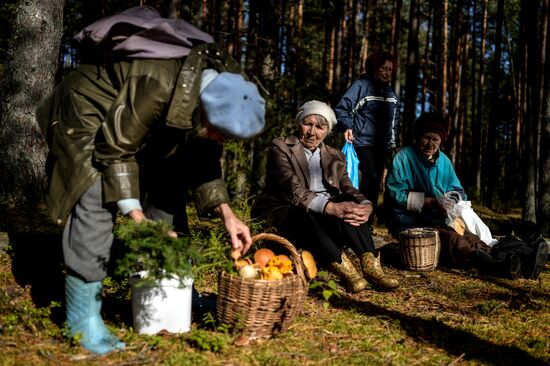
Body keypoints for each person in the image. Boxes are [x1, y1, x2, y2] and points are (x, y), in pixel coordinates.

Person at [36, 7, 265, 355]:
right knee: (95, 195)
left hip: (134, 126)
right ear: (205, 112)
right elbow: (115, 151)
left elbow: (202, 156)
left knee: (168, 192)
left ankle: (174, 295)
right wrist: (138, 219)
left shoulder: (220, 87)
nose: (224, 142)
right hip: (88, 116)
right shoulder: (157, 83)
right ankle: (83, 321)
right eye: (222, 135)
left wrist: (226, 213)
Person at [252, 101, 399, 294]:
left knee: (350, 201)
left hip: (323, 219)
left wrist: (366, 205)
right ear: (298, 124)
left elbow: (348, 186)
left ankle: (371, 266)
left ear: (328, 131)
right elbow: (292, 187)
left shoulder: (335, 156)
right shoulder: (281, 147)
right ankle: (345, 270)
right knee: (301, 212)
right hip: (288, 213)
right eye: (308, 124)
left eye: (320, 127)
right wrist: (329, 207)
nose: (312, 132)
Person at [384, 112, 548, 279]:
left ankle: (524, 259)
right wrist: (432, 202)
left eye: (436, 139)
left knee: (473, 237)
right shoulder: (404, 157)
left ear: (441, 140)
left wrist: (451, 201)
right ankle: (500, 267)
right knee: (455, 241)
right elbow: (396, 193)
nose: (430, 144)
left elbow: (458, 189)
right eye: (426, 137)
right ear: (418, 136)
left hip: (441, 216)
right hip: (410, 220)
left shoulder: (444, 162)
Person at [334, 52, 400, 216]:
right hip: (362, 142)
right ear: (374, 68)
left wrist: (392, 143)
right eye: (384, 68)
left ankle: (367, 220)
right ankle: (359, 216)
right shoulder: (361, 86)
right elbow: (342, 108)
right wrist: (347, 126)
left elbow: (394, 121)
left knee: (377, 181)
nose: (387, 72)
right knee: (370, 177)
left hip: (382, 146)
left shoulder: (390, 93)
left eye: (390, 70)